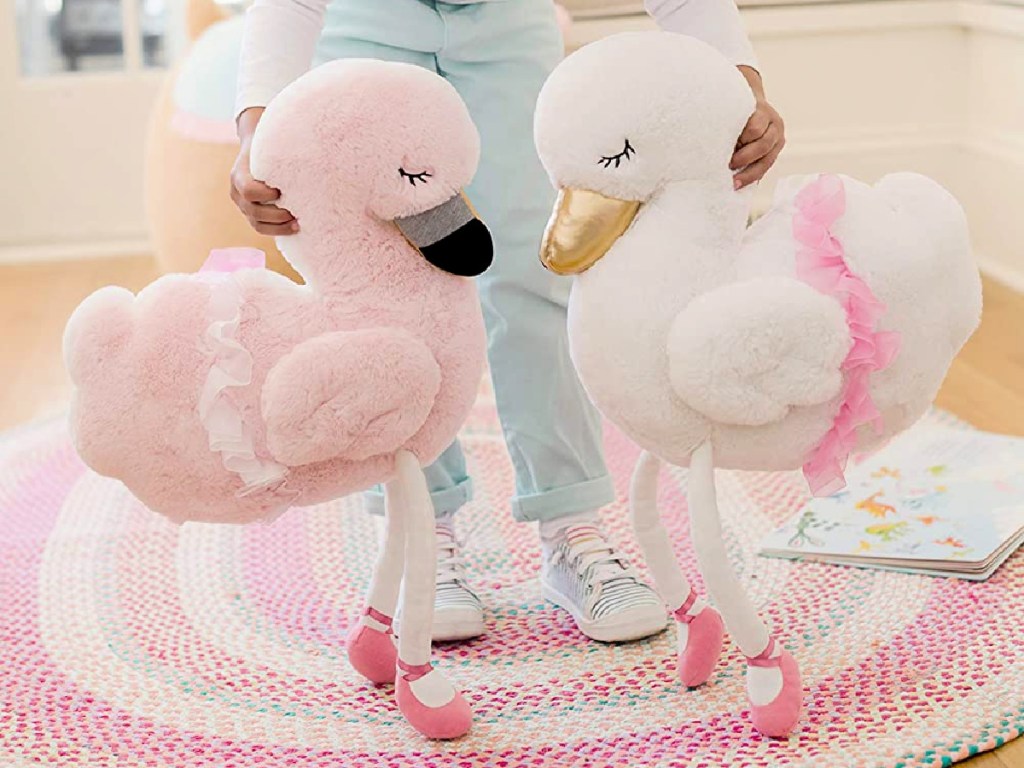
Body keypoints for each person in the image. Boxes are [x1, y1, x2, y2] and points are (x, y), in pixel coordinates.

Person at [230, 0, 785, 645]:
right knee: (393, 290)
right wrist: (256, 132)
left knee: (540, 265)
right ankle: (420, 534)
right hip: (363, 32)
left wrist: (742, 84)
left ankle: (572, 524)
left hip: (507, 28)